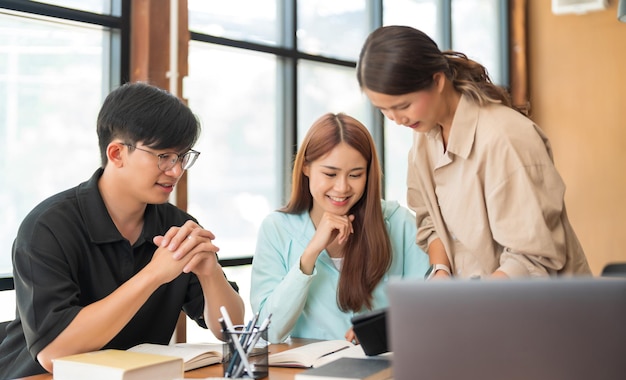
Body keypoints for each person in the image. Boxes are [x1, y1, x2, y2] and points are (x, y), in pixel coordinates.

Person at [0, 83, 244, 380]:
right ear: (116, 153)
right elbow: (54, 352)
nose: (176, 170)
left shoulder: (177, 225)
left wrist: (211, 275)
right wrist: (154, 274)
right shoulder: (48, 227)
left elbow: (231, 331)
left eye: (182, 156)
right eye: (164, 156)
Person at [356, 25, 590, 279]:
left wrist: (475, 305)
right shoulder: (424, 136)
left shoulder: (506, 138)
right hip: (482, 304)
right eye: (383, 109)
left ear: (437, 81)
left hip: (546, 309)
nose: (396, 119)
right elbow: (429, 221)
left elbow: (532, 257)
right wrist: (441, 270)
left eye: (403, 105)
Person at [250, 112, 429, 344]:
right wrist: (310, 254)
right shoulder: (276, 228)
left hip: (383, 371)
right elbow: (269, 332)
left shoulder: (399, 222)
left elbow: (426, 310)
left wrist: (381, 330)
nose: (342, 187)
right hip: (307, 375)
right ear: (305, 167)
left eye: (356, 175)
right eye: (330, 174)